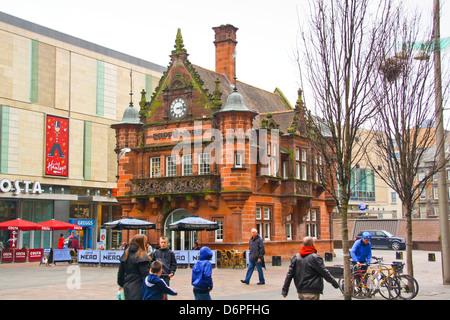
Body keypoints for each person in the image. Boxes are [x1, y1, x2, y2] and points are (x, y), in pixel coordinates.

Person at [117, 234, 151, 300]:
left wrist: (121, 284)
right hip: (139, 287)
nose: (145, 244)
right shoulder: (142, 256)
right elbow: (145, 275)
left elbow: (120, 273)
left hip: (127, 285)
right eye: (144, 242)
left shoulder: (126, 254)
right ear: (141, 243)